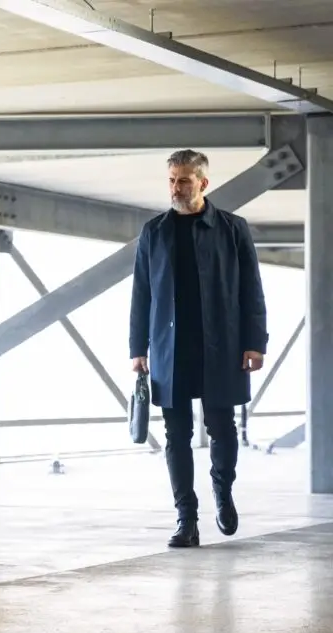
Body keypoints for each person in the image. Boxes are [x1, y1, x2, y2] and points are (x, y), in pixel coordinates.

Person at [128, 149, 268, 549]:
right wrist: (137, 348)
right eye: (172, 179)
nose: (176, 187)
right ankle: (186, 518)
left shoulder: (232, 228)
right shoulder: (153, 231)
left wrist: (255, 343)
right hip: (171, 346)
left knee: (222, 427)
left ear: (203, 183)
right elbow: (141, 293)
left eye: (184, 180)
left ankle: (222, 495)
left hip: (221, 343)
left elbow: (251, 291)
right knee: (177, 433)